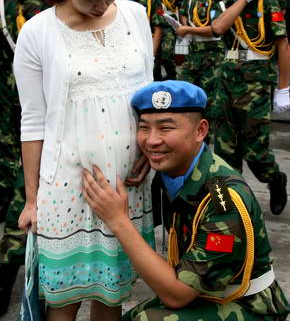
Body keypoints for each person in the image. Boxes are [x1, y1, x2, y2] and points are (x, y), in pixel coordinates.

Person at [14, 0, 155, 321]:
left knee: (111, 297)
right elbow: (33, 120)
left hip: (127, 184)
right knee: (63, 301)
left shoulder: (136, 16)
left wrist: (149, 144)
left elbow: (148, 96)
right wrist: (31, 199)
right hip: (66, 186)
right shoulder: (38, 33)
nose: (102, 3)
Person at [82, 80, 290, 321]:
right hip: (206, 292)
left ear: (200, 131)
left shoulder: (224, 202)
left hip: (247, 305)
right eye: (144, 128)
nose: (151, 140)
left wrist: (118, 220)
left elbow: (177, 295)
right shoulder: (171, 171)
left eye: (166, 128)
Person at [0, 0, 48, 317]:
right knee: (9, 175)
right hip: (9, 101)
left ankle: (5, 272)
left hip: (46, 107)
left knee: (27, 188)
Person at [210, 0, 290, 215]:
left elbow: (282, 44)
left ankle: (275, 179)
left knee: (256, 153)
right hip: (227, 79)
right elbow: (218, 28)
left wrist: (283, 89)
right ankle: (223, 206)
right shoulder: (219, 0)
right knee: (221, 152)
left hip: (255, 82)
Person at [176, 0, 225, 135]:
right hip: (193, 53)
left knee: (209, 102)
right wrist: (183, 25)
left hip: (212, 56)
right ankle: (189, 133)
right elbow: (183, 13)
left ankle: (206, 140)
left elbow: (217, 28)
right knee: (186, 94)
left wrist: (188, 28)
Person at [147, 0, 183, 80]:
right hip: (154, 24)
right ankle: (155, 80)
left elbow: (180, 6)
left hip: (169, 25)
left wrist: (182, 26)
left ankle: (172, 78)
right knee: (155, 55)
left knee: (167, 55)